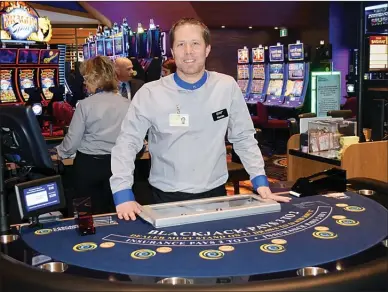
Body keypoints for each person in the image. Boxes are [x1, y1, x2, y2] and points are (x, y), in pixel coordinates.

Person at [110, 18, 291, 221]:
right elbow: (127, 143)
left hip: (216, 195)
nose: (188, 51)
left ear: (207, 49)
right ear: (173, 51)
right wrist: (122, 192)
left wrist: (259, 180)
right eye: (181, 44)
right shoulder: (150, 93)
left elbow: (244, 138)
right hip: (166, 197)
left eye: (195, 43)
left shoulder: (226, 87)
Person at [56, 56, 130, 214]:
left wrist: (60, 153)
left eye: (86, 78)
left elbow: (72, 141)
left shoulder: (84, 105)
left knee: (88, 214)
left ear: (95, 79)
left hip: (89, 166)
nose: (84, 82)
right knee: (116, 212)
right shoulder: (127, 104)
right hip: (118, 165)